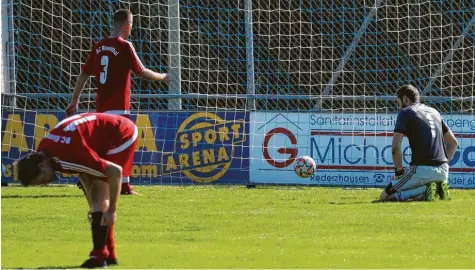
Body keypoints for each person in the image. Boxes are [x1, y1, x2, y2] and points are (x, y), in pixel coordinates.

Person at [65, 9, 169, 195]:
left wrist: (74, 101)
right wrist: (162, 77)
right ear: (127, 26)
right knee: (125, 144)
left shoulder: (98, 46)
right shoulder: (125, 46)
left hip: (102, 109)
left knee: (104, 147)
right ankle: (124, 187)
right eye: (132, 26)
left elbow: (83, 74)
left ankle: (88, 177)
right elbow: (142, 72)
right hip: (119, 108)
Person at [15, 113, 138, 268]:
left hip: (121, 133)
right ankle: (110, 255)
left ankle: (99, 256)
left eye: (41, 180)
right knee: (97, 203)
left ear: (41, 166)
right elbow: (82, 172)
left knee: (101, 192)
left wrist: (112, 209)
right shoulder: (45, 151)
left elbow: (116, 172)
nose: (45, 184)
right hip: (98, 137)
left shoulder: (65, 154)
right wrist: (93, 208)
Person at [379, 84, 459, 202]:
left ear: (405, 99)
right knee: (412, 184)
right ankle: (436, 187)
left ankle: (425, 189)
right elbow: (453, 143)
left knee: (384, 197)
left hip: (421, 171)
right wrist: (442, 164)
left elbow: (395, 147)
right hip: (443, 172)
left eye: (398, 102)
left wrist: (399, 172)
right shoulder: (434, 112)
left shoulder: (405, 112)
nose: (399, 106)